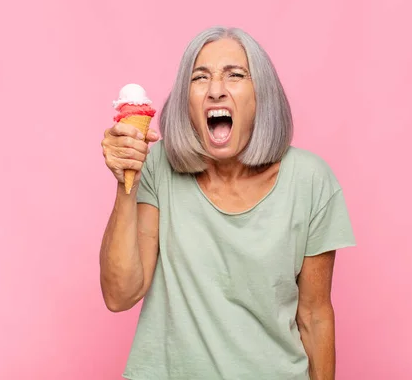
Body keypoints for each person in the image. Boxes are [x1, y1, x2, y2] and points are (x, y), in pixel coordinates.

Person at [99, 26, 356, 380]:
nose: (215, 90)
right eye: (199, 77)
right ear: (185, 100)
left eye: (235, 75)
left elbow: (314, 316)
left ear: (261, 94)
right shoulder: (158, 166)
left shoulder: (310, 180)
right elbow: (119, 295)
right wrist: (126, 178)